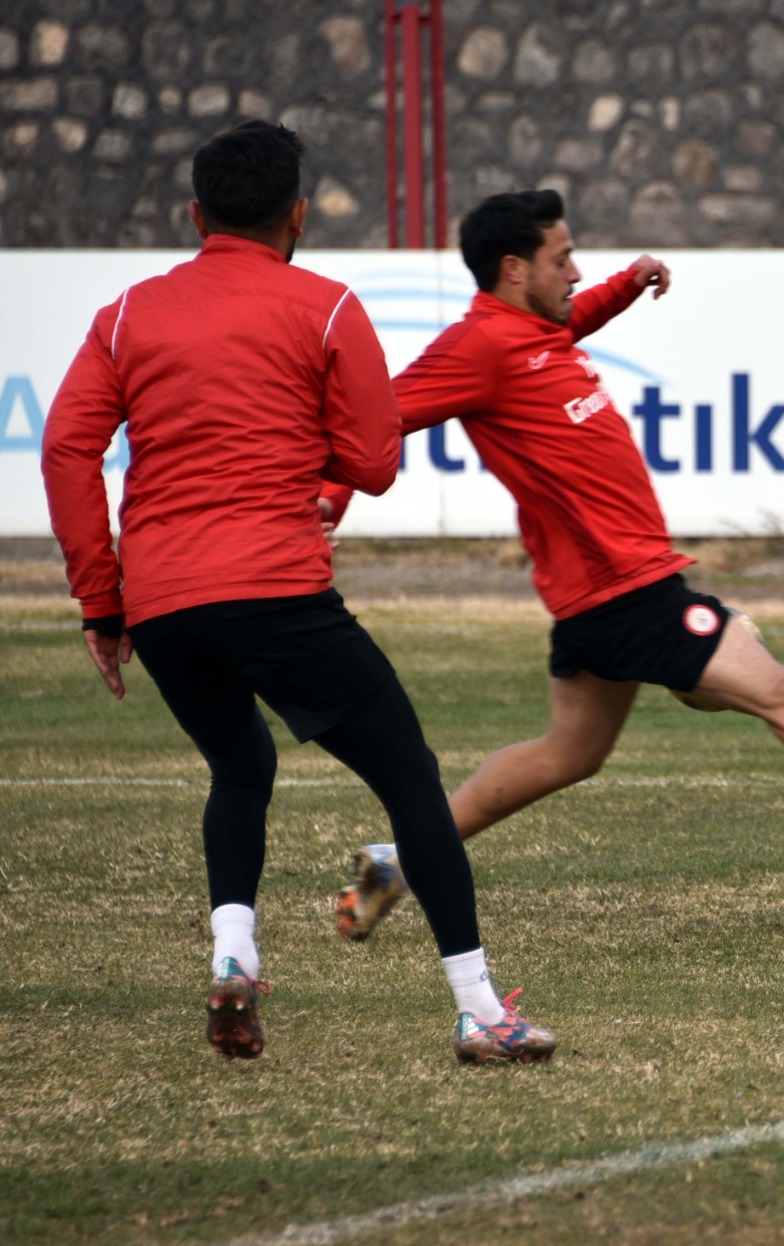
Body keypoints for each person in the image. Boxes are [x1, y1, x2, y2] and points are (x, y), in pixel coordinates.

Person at [321, 188, 784, 937]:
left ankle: (400, 862)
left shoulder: (535, 327)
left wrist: (627, 286)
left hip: (603, 595)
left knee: (567, 753)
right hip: (624, 595)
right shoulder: (478, 347)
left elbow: (573, 316)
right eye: (562, 258)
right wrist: (324, 503)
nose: (574, 271)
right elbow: (376, 418)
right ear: (513, 269)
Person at [42, 121, 552, 1066]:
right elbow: (373, 460)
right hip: (275, 588)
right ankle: (480, 1009)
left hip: (162, 604)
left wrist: (100, 602)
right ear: (299, 216)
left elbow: (68, 447)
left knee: (240, 768)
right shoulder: (324, 307)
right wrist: (291, 441)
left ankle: (234, 954)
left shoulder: (124, 315)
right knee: (411, 782)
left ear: (197, 216)